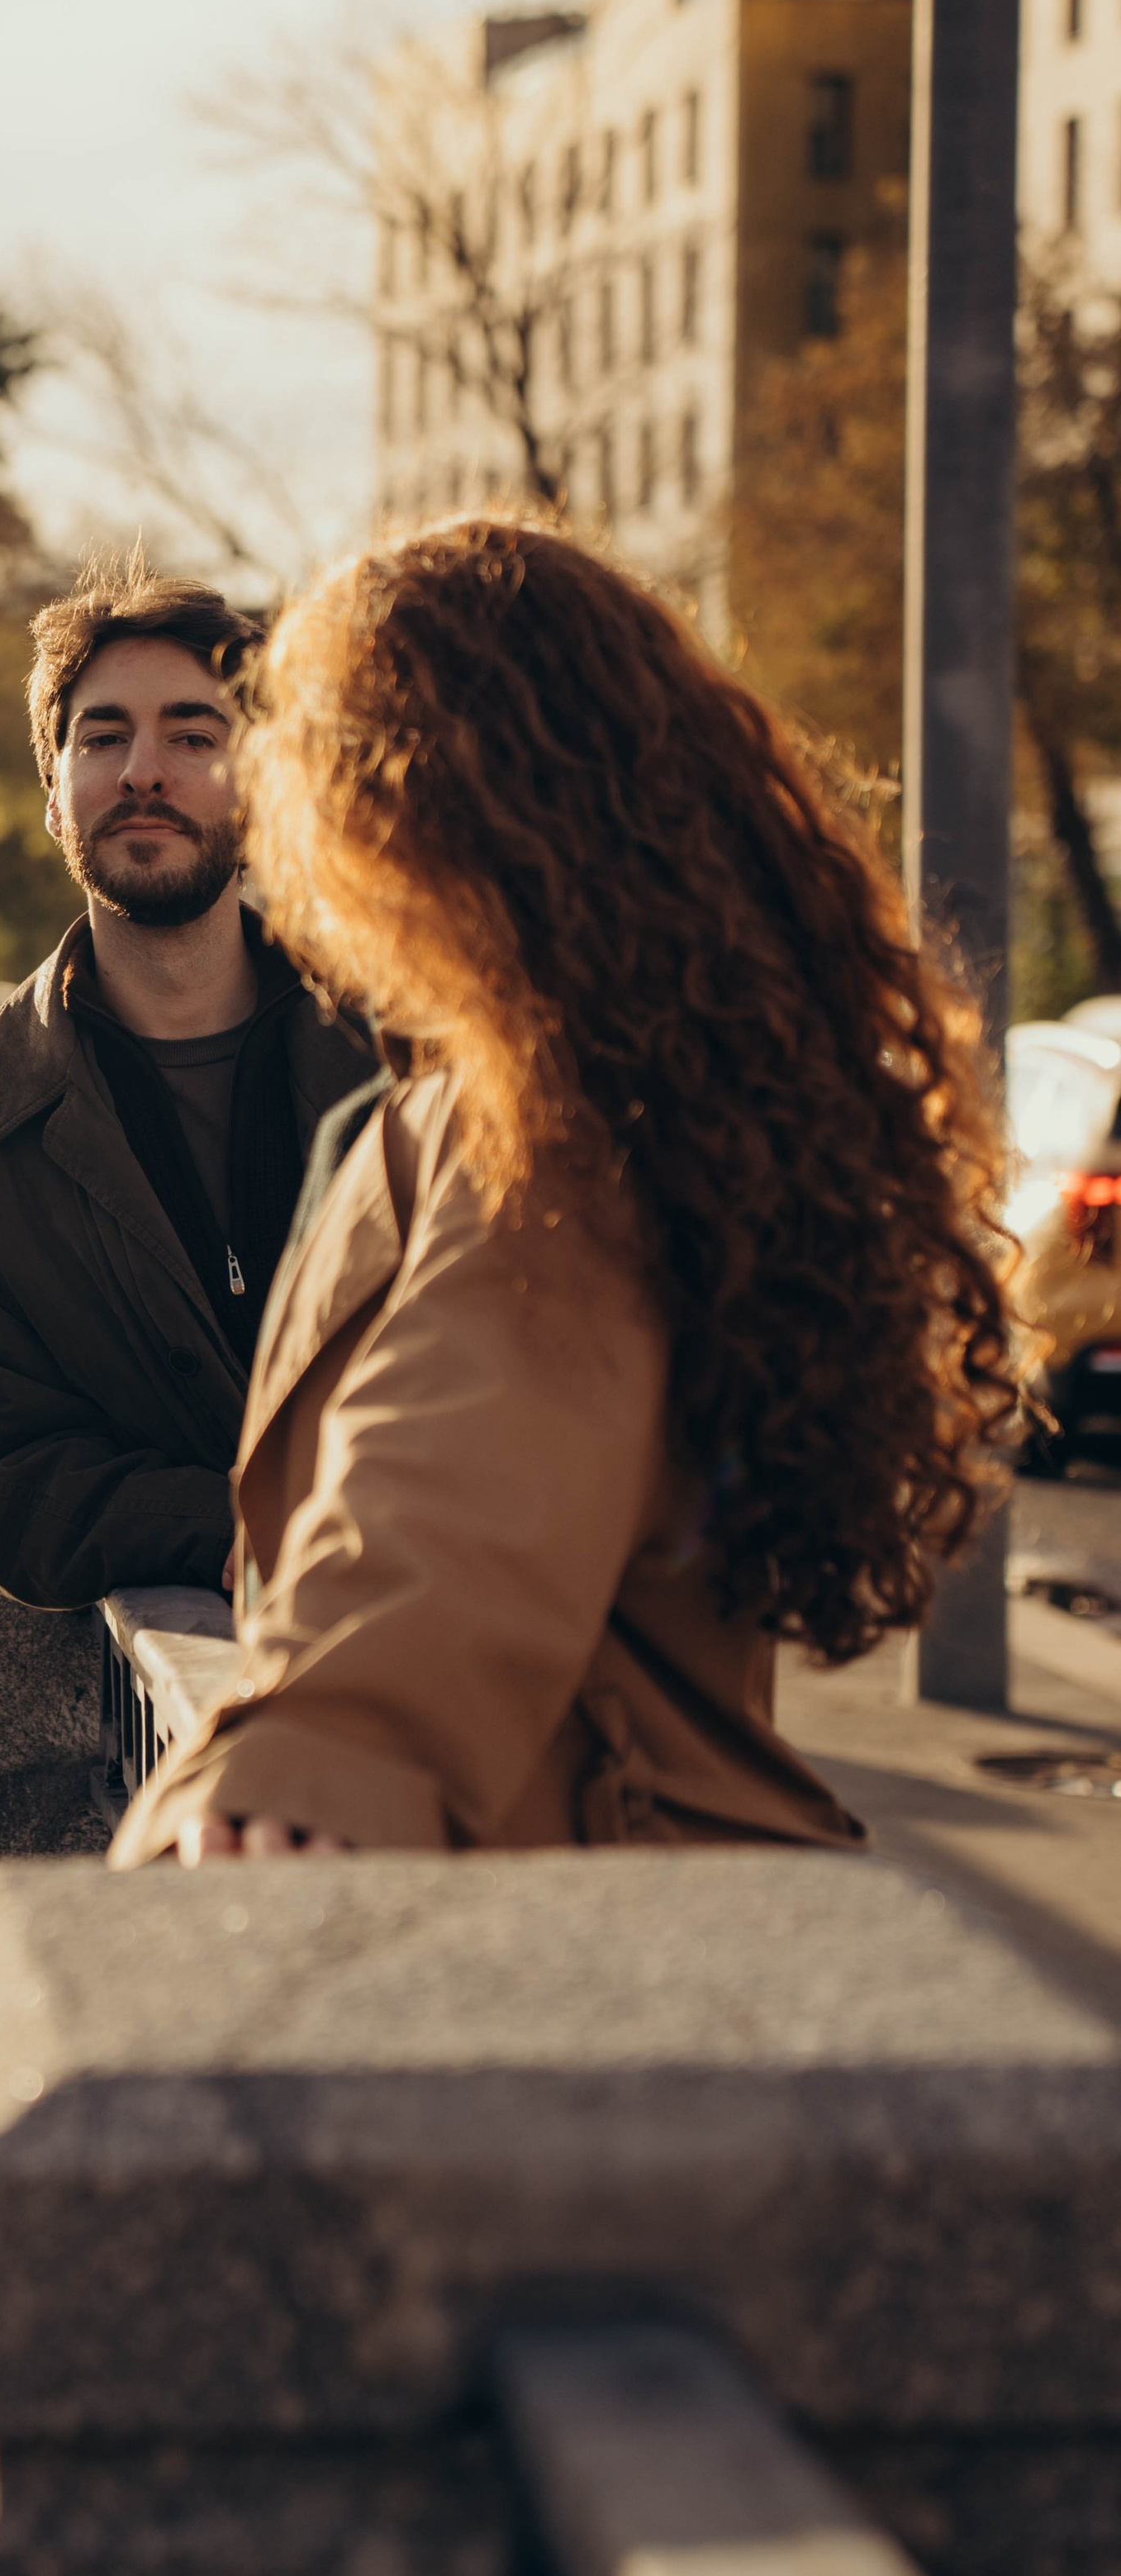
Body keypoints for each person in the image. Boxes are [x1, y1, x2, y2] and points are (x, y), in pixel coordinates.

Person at [111, 519, 1021, 1868]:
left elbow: (461, 1475)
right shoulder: (649, 1083)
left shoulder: (537, 1132)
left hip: (569, 1900)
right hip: (627, 1870)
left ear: (401, 815)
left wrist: (325, 1743)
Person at [0, 560, 378, 1607]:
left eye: (195, 736)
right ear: (54, 794)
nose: (146, 772)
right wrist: (235, 1523)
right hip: (162, 1739)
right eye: (103, 738)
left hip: (455, 1674)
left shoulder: (410, 1061)